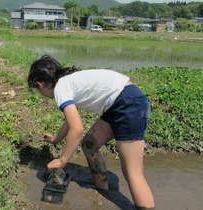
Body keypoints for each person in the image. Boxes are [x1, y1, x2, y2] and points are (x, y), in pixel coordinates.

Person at [27, 55, 155, 209]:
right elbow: (70, 121)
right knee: (89, 144)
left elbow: (77, 128)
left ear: (40, 85)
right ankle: (103, 190)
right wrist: (56, 140)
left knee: (133, 173)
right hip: (120, 102)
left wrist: (63, 160)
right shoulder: (67, 82)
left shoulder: (60, 89)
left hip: (127, 105)